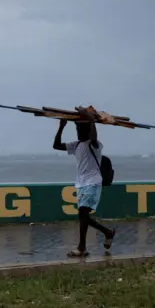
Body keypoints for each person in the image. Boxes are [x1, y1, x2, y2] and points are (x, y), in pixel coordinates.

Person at [52, 108, 116, 257]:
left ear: (87, 129)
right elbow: (56, 145)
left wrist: (91, 120)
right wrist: (61, 127)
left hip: (92, 183)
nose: (78, 130)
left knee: (83, 214)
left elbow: (93, 136)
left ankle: (82, 248)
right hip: (81, 184)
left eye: (81, 127)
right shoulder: (76, 145)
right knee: (83, 216)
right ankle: (107, 232)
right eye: (77, 128)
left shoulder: (95, 144)